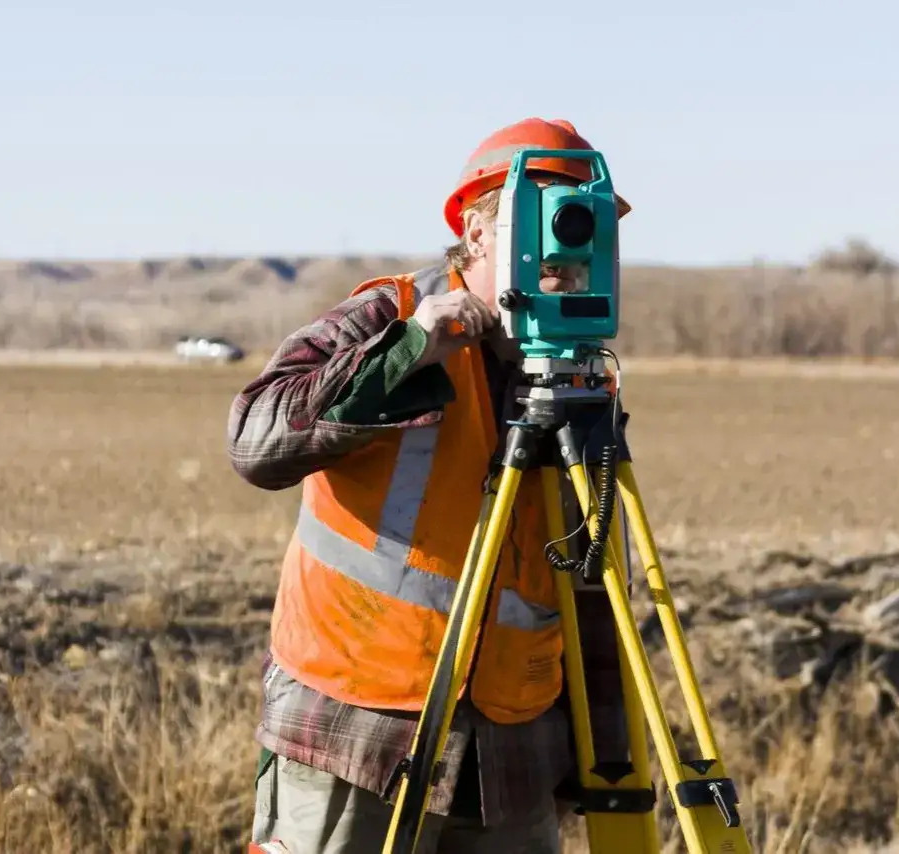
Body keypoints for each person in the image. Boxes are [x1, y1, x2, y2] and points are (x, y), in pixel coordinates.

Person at [227, 117, 634, 854]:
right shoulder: (395, 315)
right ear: (479, 232)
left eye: (585, 220)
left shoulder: (578, 370)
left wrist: (605, 754)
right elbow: (256, 439)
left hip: (513, 749)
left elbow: (593, 574)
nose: (568, 242)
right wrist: (410, 352)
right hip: (359, 728)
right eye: (547, 216)